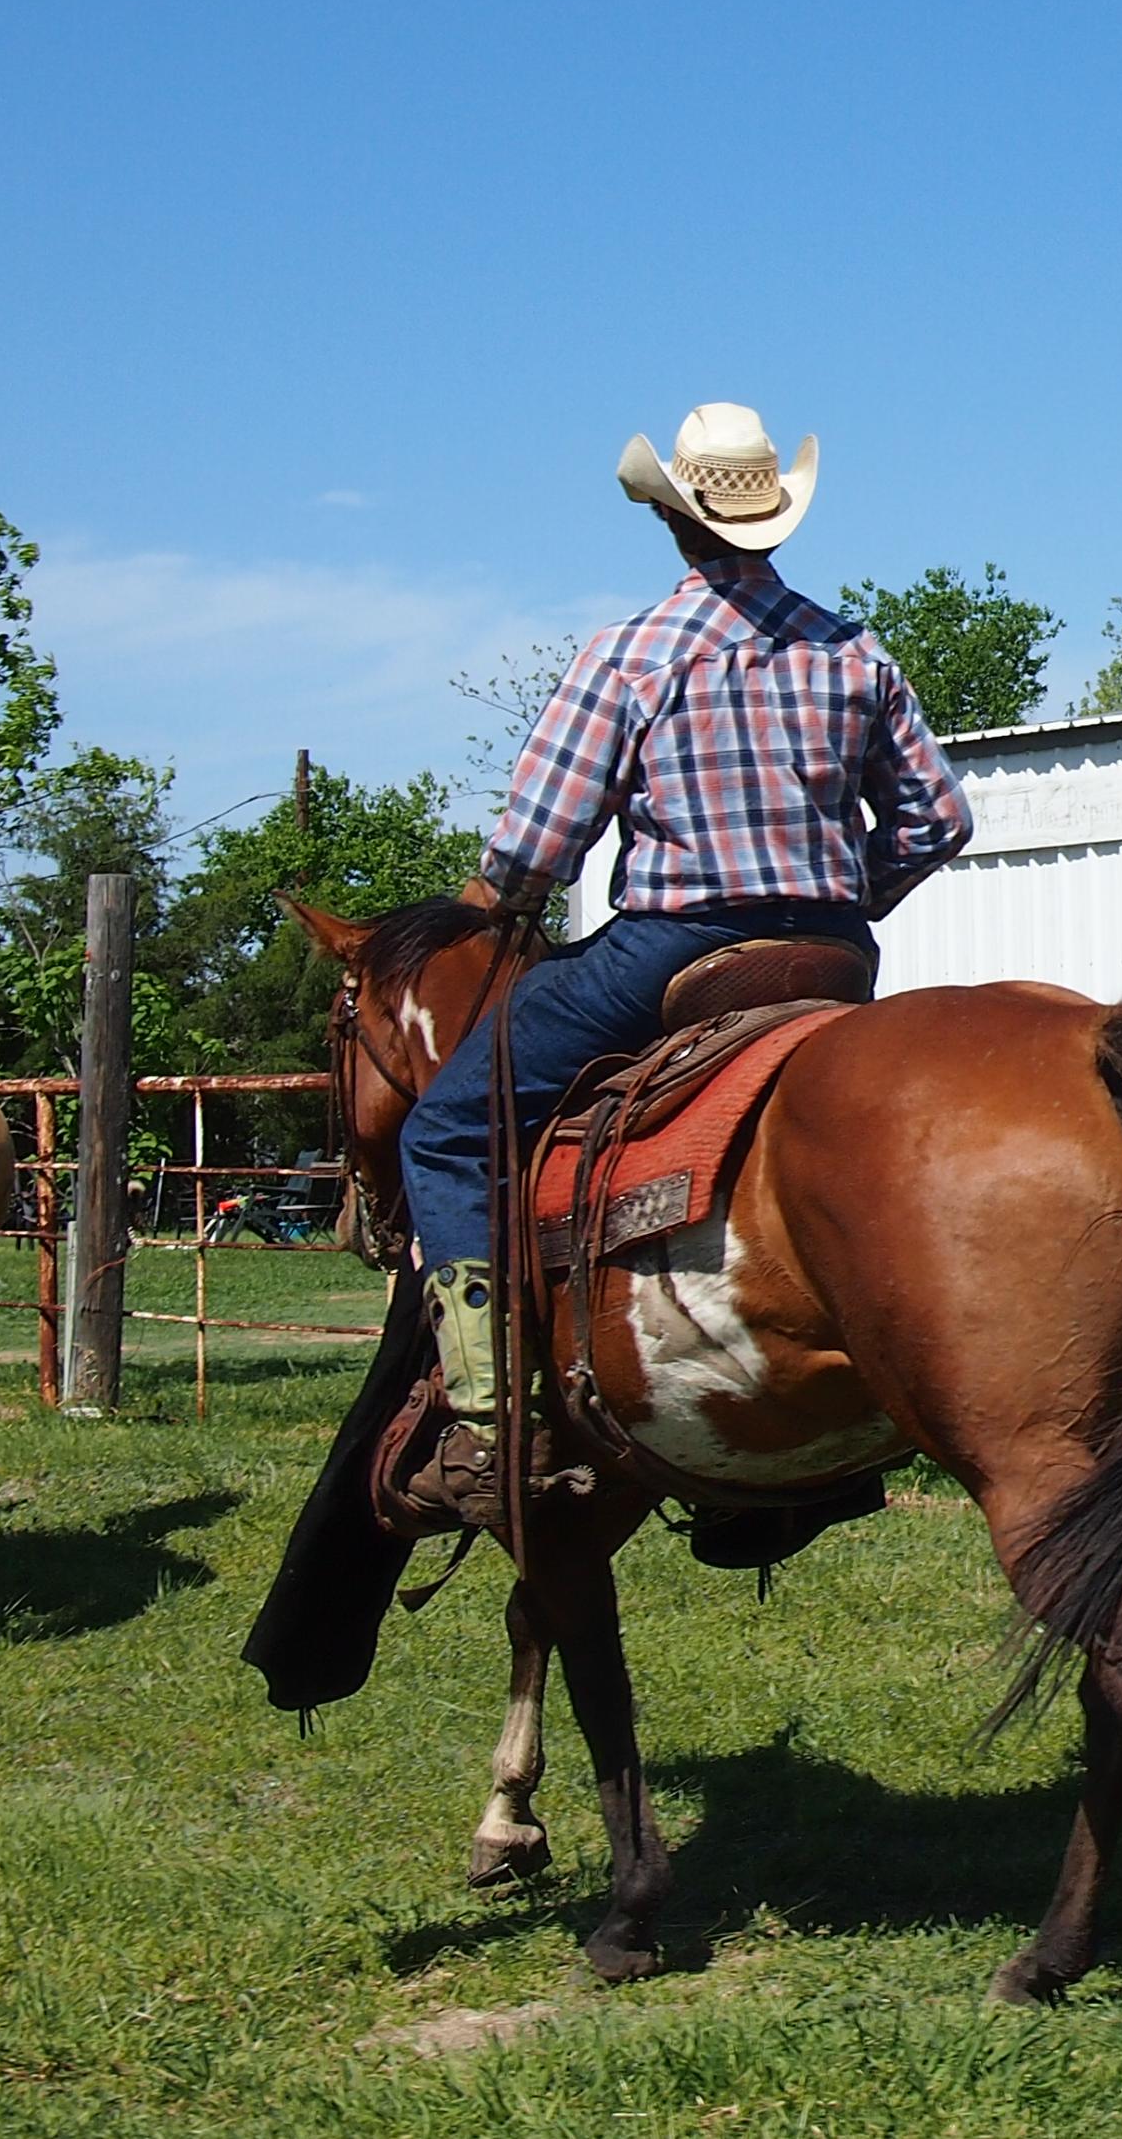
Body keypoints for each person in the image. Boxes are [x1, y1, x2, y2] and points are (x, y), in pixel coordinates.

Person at [393, 402, 977, 1531]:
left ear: (672, 518)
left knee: (448, 1129)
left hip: (674, 951)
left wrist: (489, 905)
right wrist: (849, 892)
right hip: (829, 958)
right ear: (773, 516)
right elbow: (938, 819)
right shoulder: (853, 649)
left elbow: (536, 846)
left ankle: (479, 1421)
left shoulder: (632, 652)